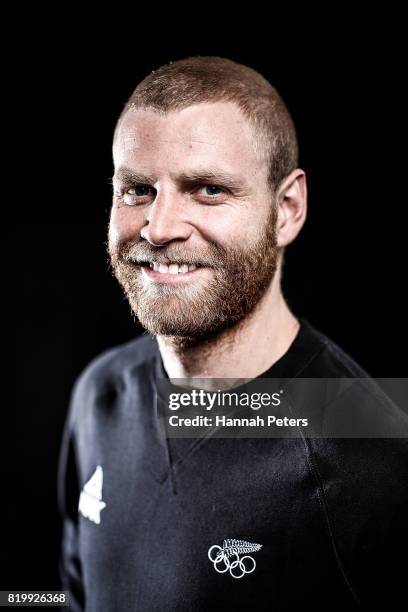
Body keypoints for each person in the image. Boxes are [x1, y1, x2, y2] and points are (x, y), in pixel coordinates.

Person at [57, 56, 407, 610]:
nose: (160, 227)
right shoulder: (100, 394)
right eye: (137, 189)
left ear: (287, 209)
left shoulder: (374, 460)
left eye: (209, 190)